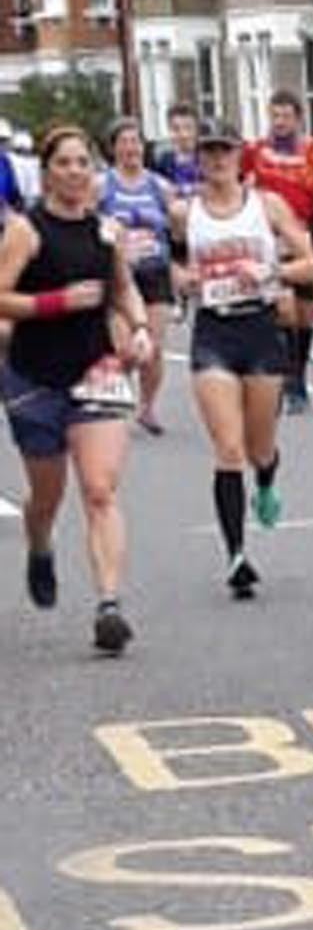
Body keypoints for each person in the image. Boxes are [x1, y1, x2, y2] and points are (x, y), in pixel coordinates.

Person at [0, 124, 156, 649]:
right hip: (33, 376)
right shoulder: (26, 230)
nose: (74, 172)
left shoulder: (107, 230)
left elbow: (124, 288)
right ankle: (40, 542)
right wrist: (55, 303)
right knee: (48, 494)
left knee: (99, 489)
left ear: (95, 172)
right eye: (63, 163)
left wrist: (137, 329)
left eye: (83, 163)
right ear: (46, 173)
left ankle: (109, 604)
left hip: (96, 372)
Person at [173, 125, 313, 598]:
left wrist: (271, 270)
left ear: (240, 157)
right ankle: (236, 554)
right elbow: (168, 265)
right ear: (198, 159)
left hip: (260, 329)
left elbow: (312, 263)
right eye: (208, 153)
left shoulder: (266, 206)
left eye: (224, 152)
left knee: (259, 449)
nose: (217, 161)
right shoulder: (184, 212)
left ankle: (268, 481)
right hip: (213, 331)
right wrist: (184, 278)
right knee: (228, 449)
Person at [252, 89, 313, 411]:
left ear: (298, 119)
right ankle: (287, 378)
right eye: (275, 116)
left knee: (304, 316)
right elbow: (242, 181)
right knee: (283, 310)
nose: (280, 123)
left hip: (304, 237)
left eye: (286, 116)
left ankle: (298, 372)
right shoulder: (257, 151)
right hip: (270, 239)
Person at [99, 120, 178, 436]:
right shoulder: (101, 185)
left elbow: (178, 228)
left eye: (136, 142)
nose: (131, 148)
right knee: (127, 349)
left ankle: (147, 407)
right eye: (125, 142)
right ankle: (117, 393)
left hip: (154, 271)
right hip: (118, 275)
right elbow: (85, 221)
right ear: (114, 148)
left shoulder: (159, 186)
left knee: (153, 348)